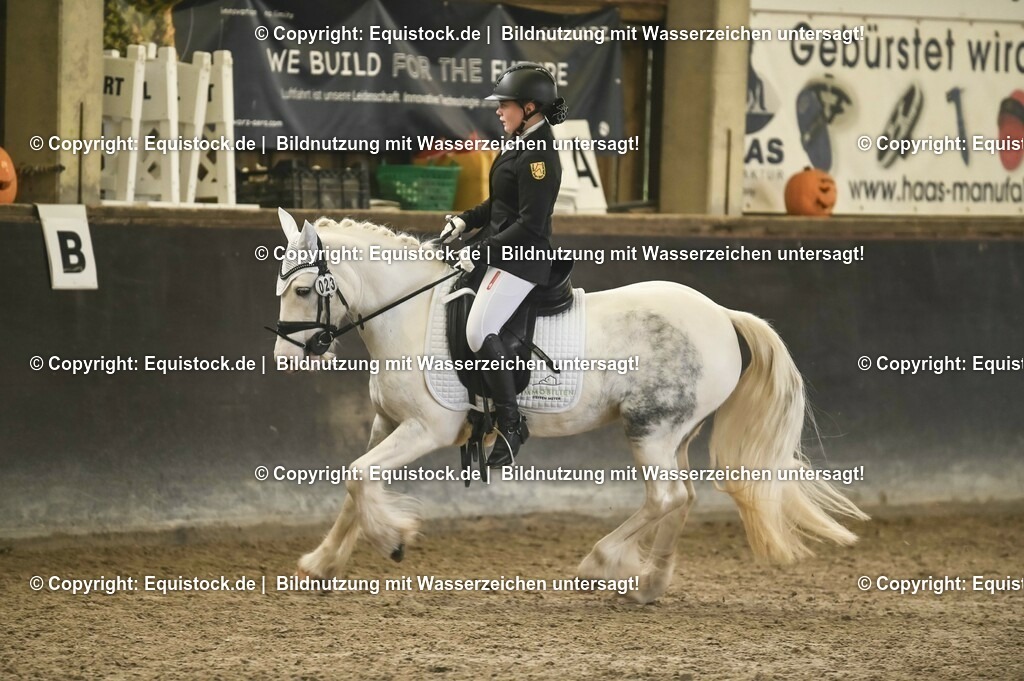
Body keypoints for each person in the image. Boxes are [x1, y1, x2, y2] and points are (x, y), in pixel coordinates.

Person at [439, 62, 568, 468]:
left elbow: (530, 224)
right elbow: (499, 206)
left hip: (523, 258)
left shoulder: (539, 156)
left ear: (529, 108)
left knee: (479, 329)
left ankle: (511, 424)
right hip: (499, 249)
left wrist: (481, 250)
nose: (498, 111)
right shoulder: (517, 141)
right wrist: (465, 220)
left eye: (505, 105)